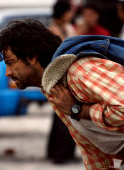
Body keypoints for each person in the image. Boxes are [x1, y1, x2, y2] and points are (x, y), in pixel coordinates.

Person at [0, 19, 124, 169]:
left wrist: (79, 110)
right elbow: (91, 147)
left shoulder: (79, 73)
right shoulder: (55, 87)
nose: (7, 73)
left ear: (31, 57)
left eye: (10, 62)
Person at [47, 0, 78, 164]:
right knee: (63, 115)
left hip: (68, 75)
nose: (72, 14)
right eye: (69, 11)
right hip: (57, 76)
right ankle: (59, 154)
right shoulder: (53, 30)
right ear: (63, 12)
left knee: (65, 115)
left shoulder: (68, 27)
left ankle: (63, 152)